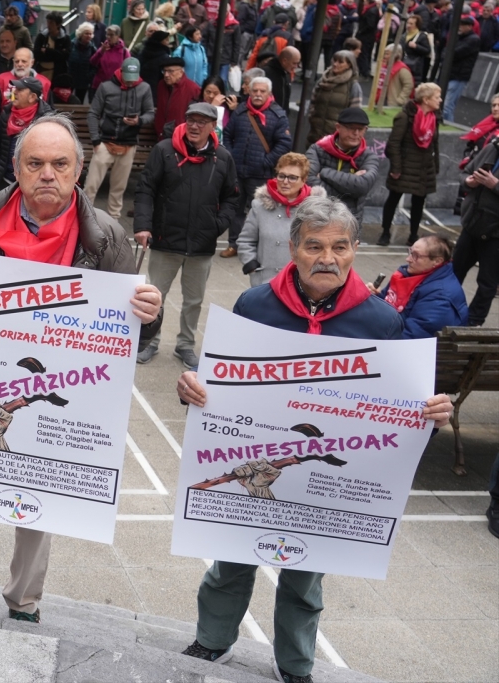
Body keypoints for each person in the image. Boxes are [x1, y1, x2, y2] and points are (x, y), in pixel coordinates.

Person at [178, 197, 453, 683]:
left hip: (319, 479)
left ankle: (295, 665)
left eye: (340, 247)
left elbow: (399, 403)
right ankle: (213, 639)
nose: (327, 257)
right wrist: (193, 384)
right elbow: (216, 376)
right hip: (256, 461)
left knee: (305, 576)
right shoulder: (255, 304)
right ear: (292, 249)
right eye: (314, 246)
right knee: (231, 561)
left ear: (355, 250)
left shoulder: (381, 322)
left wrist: (431, 412)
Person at [0, 113, 163, 622]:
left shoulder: (109, 237)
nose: (48, 174)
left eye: (59, 164)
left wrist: (151, 318)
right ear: (18, 169)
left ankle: (24, 600)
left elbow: (130, 328)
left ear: (78, 168)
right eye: (36, 163)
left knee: (39, 495)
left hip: (57, 389)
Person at [134, 102, 238, 369]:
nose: (194, 125)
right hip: (164, 239)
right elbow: (145, 189)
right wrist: (143, 225)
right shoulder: (164, 150)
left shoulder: (223, 157)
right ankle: (149, 342)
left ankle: (185, 345)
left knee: (194, 300)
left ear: (213, 126)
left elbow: (231, 198)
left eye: (202, 121)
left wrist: (218, 225)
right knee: (154, 296)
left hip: (202, 243)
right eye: (191, 119)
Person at [220, 76, 293, 257]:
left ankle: (259, 248)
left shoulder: (278, 115)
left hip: (260, 174)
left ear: (269, 93)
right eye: (255, 91)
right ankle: (234, 245)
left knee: (261, 211)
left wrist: (266, 162)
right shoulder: (240, 111)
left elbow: (284, 144)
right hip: (237, 170)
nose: (258, 94)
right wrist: (231, 155)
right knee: (235, 208)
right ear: (249, 92)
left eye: (262, 91)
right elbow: (227, 135)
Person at [237, 153, 326, 287]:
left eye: (292, 178)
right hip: (264, 282)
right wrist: (251, 266)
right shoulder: (259, 206)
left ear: (304, 180)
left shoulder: (316, 210)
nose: (285, 181)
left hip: (301, 284)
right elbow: (245, 241)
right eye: (282, 175)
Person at [84, 57, 154, 219]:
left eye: (133, 79)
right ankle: (84, 219)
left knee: (118, 189)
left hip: (128, 144)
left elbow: (150, 113)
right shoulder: (106, 87)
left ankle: (113, 222)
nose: (130, 82)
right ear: (121, 72)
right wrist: (96, 141)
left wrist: (139, 121)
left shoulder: (144, 88)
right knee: (91, 186)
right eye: (127, 78)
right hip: (105, 142)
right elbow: (93, 113)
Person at [367, 234, 467, 338]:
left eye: (416, 255)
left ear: (437, 261)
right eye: (410, 252)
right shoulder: (408, 274)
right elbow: (384, 304)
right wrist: (371, 297)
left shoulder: (441, 296)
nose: (408, 259)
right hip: (391, 334)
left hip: (411, 348)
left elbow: (412, 337)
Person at [380, 83, 442, 247]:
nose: (440, 100)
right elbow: (393, 144)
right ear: (426, 99)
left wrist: (435, 166)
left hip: (424, 167)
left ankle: (413, 235)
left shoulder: (434, 118)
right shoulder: (405, 117)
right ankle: (385, 232)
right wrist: (396, 168)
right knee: (393, 198)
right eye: (437, 97)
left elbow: (435, 144)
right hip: (405, 166)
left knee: (419, 202)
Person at [304, 106, 380, 227]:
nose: (356, 133)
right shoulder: (317, 149)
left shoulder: (369, 157)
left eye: (360, 129)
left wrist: (324, 173)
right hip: (315, 219)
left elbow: (362, 186)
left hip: (348, 224)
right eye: (351, 128)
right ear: (338, 127)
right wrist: (350, 188)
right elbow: (308, 182)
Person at [453, 128, 499, 326]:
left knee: (487, 285)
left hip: (496, 234)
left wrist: (495, 184)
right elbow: (465, 172)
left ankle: (472, 324)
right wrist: (469, 182)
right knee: (454, 274)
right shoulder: (491, 147)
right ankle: (447, 312)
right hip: (472, 226)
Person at [0, 76, 53, 189]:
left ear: (32, 97)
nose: (14, 92)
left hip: (32, 182)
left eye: (20, 90)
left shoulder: (45, 119)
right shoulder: (7, 113)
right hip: (5, 179)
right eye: (15, 89)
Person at [307, 50, 362, 145]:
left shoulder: (353, 86)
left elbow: (354, 114)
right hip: (315, 133)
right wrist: (312, 117)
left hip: (336, 138)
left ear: (349, 65)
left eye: (340, 62)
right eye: (334, 60)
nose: (335, 64)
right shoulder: (323, 80)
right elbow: (313, 101)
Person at [153, 58, 202, 140]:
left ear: (181, 72)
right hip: (160, 135)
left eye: (170, 71)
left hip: (181, 137)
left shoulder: (193, 89)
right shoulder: (161, 85)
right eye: (164, 71)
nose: (166, 75)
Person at [444, 16, 480, 124]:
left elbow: (455, 53)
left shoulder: (473, 40)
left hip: (459, 76)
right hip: (453, 73)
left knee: (448, 105)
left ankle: (448, 126)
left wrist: (447, 53)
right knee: (447, 104)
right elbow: (447, 50)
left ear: (469, 27)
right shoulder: (459, 37)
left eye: (462, 25)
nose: (460, 27)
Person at [261, 46, 299, 114]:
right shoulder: (266, 73)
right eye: (294, 63)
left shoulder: (286, 73)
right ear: (284, 61)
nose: (296, 66)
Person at [400, 15, 433, 83]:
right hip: (402, 63)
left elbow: (427, 50)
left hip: (415, 68)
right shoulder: (404, 35)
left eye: (411, 24)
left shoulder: (422, 36)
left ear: (417, 25)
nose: (408, 25)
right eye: (408, 23)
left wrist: (416, 46)